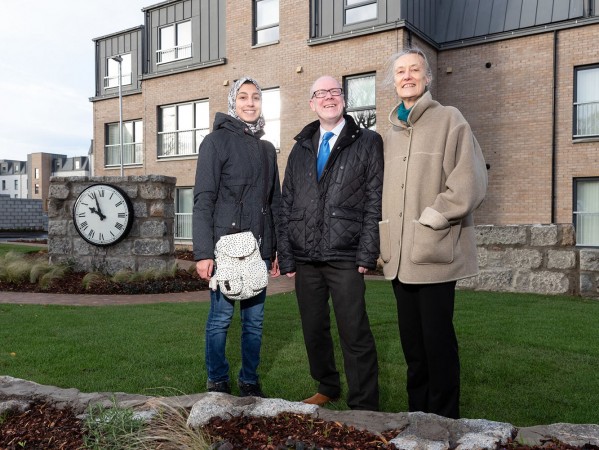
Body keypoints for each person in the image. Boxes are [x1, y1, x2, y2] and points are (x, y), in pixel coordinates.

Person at [380, 47, 488, 419]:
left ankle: (444, 420)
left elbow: (470, 181)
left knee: (438, 343)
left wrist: (434, 218)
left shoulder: (450, 119)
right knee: (413, 347)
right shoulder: (389, 132)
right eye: (400, 72)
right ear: (393, 82)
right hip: (399, 258)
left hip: (435, 252)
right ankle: (418, 417)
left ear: (427, 78)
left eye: (414, 70)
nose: (407, 76)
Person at [277, 75, 383, 411]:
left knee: (354, 330)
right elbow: (286, 202)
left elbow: (374, 199)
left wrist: (368, 250)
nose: (328, 98)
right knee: (313, 327)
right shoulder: (301, 146)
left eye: (335, 92)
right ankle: (327, 384)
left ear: (344, 100)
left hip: (347, 254)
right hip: (306, 255)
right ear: (311, 103)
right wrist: (288, 256)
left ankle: (364, 402)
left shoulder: (367, 141)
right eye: (321, 94)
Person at [193, 76, 281, 398]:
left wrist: (274, 250)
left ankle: (249, 380)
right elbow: (204, 198)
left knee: (254, 323)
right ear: (233, 102)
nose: (249, 103)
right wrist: (204, 252)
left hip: (258, 249)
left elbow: (274, 204)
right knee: (220, 320)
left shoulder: (267, 149)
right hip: (225, 250)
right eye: (243, 97)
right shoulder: (215, 143)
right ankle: (217, 379)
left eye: (255, 97)